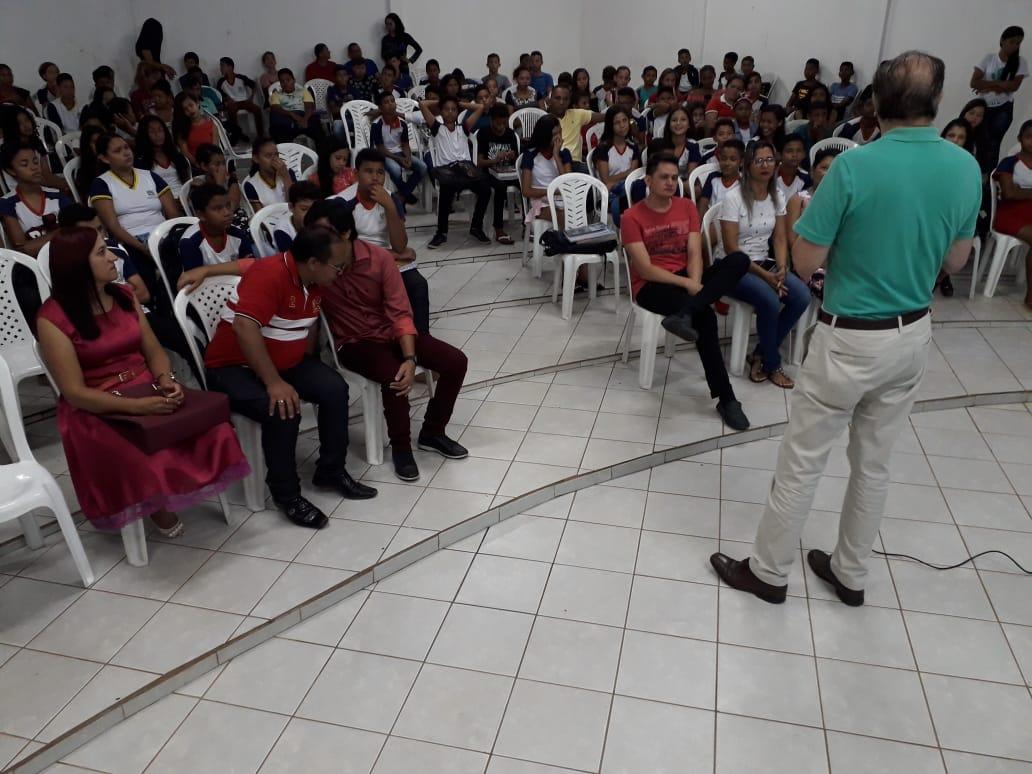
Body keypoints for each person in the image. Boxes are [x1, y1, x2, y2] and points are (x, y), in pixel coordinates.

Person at [711, 51, 982, 606]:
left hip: (851, 335)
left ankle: (768, 571)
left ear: (876, 104)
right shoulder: (964, 167)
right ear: (936, 103)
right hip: (912, 335)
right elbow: (955, 263)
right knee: (874, 462)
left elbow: (807, 262)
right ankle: (850, 574)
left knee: (804, 458)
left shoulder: (854, 167)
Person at [37, 226, 248, 536]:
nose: (112, 258)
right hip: (98, 407)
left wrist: (165, 379)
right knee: (141, 451)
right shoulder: (52, 319)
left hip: (146, 385)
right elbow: (75, 393)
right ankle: (155, 504)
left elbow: (153, 349)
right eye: (101, 253)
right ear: (78, 266)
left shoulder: (123, 295)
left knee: (212, 427)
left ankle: (177, 489)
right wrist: (137, 407)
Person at [205, 226, 377, 527]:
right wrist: (274, 383)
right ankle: (286, 494)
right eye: (338, 266)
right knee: (283, 409)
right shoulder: (270, 274)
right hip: (233, 367)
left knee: (334, 388)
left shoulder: (315, 279)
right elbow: (245, 329)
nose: (342, 271)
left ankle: (331, 470)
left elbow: (306, 325)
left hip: (284, 361)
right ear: (313, 262)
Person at [305, 201, 467, 481]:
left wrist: (409, 358)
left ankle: (432, 432)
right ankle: (401, 448)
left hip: (391, 333)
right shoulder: (313, 264)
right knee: (394, 376)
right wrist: (208, 271)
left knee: (454, 361)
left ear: (345, 234)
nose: (316, 241)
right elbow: (265, 266)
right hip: (354, 343)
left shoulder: (378, 259)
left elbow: (401, 312)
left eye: (323, 234)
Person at [622, 152, 751, 429]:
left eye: (674, 178)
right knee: (706, 317)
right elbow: (643, 269)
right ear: (648, 180)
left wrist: (694, 282)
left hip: (685, 277)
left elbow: (694, 252)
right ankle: (726, 398)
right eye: (663, 177)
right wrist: (691, 286)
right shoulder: (631, 216)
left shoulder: (686, 207)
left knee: (739, 260)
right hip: (651, 286)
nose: (670, 183)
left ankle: (687, 311)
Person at [721, 140, 809, 388]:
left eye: (770, 159)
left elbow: (780, 237)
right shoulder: (733, 197)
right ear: (747, 165)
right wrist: (764, 276)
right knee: (769, 300)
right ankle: (772, 363)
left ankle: (759, 353)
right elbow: (730, 249)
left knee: (800, 295)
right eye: (759, 160)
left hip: (763, 262)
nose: (765, 165)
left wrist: (781, 267)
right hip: (733, 266)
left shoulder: (777, 195)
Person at [335, 148, 429, 332]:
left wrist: (390, 207)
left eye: (380, 172)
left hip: (387, 260)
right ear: (356, 174)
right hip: (356, 261)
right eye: (368, 171)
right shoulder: (343, 202)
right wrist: (392, 254)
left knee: (417, 284)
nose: (375, 177)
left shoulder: (390, 198)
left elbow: (400, 245)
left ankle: (423, 339)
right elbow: (345, 248)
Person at [88, 134, 181, 299]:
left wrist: (165, 237)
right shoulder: (101, 184)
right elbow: (113, 227)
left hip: (162, 236)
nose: (126, 153)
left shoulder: (150, 176)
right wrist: (144, 248)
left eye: (126, 147)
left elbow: (173, 214)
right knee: (144, 267)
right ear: (104, 158)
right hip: (131, 241)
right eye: (117, 151)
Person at [420, 95, 492, 249]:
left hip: (467, 169)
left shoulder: (464, 128)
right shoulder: (437, 128)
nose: (450, 112)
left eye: (453, 110)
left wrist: (458, 102)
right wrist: (441, 101)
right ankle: (441, 233)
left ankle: (476, 227)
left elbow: (479, 107)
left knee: (486, 189)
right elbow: (422, 104)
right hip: (447, 171)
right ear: (441, 111)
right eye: (446, 109)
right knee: (446, 190)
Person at [971, 25, 1027, 172]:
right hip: (984, 108)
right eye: (1012, 42)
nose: (1015, 46)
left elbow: (1014, 86)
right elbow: (974, 82)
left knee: (993, 144)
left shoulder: (1020, 62)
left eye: (1018, 43)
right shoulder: (989, 59)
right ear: (1002, 40)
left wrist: (987, 86)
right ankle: (976, 173)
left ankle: (988, 179)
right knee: (980, 142)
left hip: (1004, 108)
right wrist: (1001, 84)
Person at [0, 143, 70, 257]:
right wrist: (62, 232)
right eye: (24, 164)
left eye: (35, 161)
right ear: (11, 170)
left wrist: (35, 244)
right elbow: (22, 250)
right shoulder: (7, 203)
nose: (34, 167)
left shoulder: (57, 196)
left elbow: (76, 229)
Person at [992, 119, 1032, 307]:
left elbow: (1017, 192)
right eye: (1029, 137)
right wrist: (1017, 192)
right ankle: (1031, 296)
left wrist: (1021, 191)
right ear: (1020, 139)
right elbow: (1009, 193)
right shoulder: (1010, 162)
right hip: (1010, 214)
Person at [179, 182, 255, 274]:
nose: (227, 212)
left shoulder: (238, 234)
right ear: (201, 215)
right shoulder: (190, 242)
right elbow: (193, 277)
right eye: (218, 208)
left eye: (228, 205)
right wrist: (238, 266)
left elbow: (251, 266)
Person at [475, 103, 519, 245]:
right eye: (498, 123)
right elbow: (479, 162)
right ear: (491, 120)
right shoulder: (484, 133)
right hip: (489, 172)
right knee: (500, 187)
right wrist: (494, 160)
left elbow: (516, 159)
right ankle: (498, 228)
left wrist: (511, 156)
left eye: (504, 123)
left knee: (525, 183)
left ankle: (527, 224)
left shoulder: (510, 134)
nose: (501, 126)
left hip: (508, 172)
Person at [371, 92, 425, 204]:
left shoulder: (402, 123)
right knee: (396, 170)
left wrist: (408, 157)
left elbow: (405, 144)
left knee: (423, 167)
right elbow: (380, 148)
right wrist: (399, 159)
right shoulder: (377, 125)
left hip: (399, 152)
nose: (390, 104)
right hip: (384, 154)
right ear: (380, 108)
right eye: (386, 102)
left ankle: (402, 194)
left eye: (392, 101)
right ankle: (407, 194)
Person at [520, 115, 572, 226]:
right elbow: (526, 191)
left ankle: (567, 240)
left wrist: (556, 156)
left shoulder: (564, 153)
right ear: (545, 136)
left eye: (560, 133)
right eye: (554, 135)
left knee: (575, 212)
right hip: (540, 202)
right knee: (563, 215)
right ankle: (564, 241)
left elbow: (568, 184)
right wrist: (551, 191)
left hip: (562, 200)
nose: (558, 138)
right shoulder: (530, 155)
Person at [593, 106, 641, 225]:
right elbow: (606, 180)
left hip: (630, 188)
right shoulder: (603, 149)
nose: (622, 125)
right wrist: (627, 173)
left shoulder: (633, 148)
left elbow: (633, 175)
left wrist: (625, 176)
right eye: (617, 123)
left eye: (625, 121)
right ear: (610, 126)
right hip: (610, 194)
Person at [0, 106, 66, 191]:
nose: (26, 125)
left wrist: (65, 185)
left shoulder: (36, 142)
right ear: (12, 127)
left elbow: (47, 174)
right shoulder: (10, 150)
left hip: (43, 184)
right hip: (24, 192)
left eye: (27, 120)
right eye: (19, 123)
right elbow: (37, 179)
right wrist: (63, 186)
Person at [546, 83, 603, 171]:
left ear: (569, 101)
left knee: (601, 169)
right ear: (550, 100)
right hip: (553, 163)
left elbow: (605, 117)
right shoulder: (545, 120)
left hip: (575, 163)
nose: (561, 102)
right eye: (557, 98)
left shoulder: (577, 114)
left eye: (565, 99)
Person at [193, 143, 249, 229]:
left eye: (223, 163)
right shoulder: (199, 186)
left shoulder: (231, 180)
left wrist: (220, 183)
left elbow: (232, 207)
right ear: (204, 166)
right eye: (217, 164)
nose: (222, 168)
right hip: (217, 227)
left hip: (239, 222)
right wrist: (219, 183)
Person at [135, 115, 191, 199]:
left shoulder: (177, 156)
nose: (158, 135)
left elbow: (187, 183)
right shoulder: (141, 162)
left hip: (184, 199)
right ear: (144, 134)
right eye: (152, 132)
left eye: (160, 130)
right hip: (161, 203)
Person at [269, 69, 323, 144]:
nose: (285, 83)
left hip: (303, 116)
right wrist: (292, 114)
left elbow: (309, 107)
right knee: (274, 117)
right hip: (286, 118)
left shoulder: (303, 91)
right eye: (282, 81)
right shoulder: (276, 95)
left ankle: (323, 153)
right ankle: (286, 152)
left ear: (294, 80)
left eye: (288, 80)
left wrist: (305, 119)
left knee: (316, 120)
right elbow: (276, 108)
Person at [216, 57, 264, 139]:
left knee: (257, 110)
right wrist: (226, 99)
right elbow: (218, 94)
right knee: (231, 110)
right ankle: (237, 134)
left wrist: (251, 97)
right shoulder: (221, 81)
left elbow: (254, 85)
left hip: (245, 101)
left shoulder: (241, 77)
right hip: (233, 104)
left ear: (230, 67)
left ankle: (261, 135)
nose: (220, 68)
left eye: (222, 66)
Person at [243, 137, 295, 209]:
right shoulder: (251, 185)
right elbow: (259, 217)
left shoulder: (288, 173)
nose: (275, 159)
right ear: (256, 159)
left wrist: (286, 177)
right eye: (268, 156)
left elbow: (295, 205)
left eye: (276, 155)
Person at [697, 138, 743, 218]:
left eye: (732, 159)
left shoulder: (744, 181)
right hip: (712, 224)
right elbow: (702, 205)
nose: (727, 163)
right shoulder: (713, 177)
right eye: (724, 159)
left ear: (741, 162)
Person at [271, 181, 321, 253]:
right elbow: (296, 261)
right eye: (304, 209)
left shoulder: (320, 220)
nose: (311, 214)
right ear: (291, 207)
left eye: (314, 208)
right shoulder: (282, 232)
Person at [171, 92, 215, 166]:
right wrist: (198, 164)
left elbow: (215, 148)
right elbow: (185, 153)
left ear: (197, 103)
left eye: (191, 105)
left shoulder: (211, 124)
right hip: (194, 165)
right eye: (185, 109)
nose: (190, 109)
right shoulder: (181, 128)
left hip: (213, 162)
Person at [776, 134, 811, 202]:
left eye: (799, 151)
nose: (794, 155)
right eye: (789, 151)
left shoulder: (806, 178)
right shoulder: (771, 176)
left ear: (804, 154)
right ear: (779, 155)